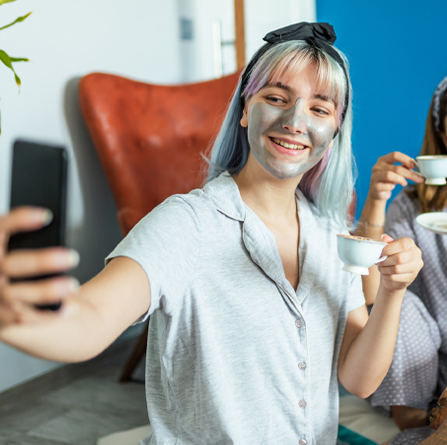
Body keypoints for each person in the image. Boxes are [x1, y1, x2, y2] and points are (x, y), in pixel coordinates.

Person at [0, 22, 423, 445]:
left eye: (319, 108)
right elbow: (90, 321)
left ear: (334, 131)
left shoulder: (332, 233)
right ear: (244, 109)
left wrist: (392, 291)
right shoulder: (187, 223)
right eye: (276, 98)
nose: (295, 121)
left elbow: (360, 379)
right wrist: (22, 317)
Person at [356, 48, 447, 445]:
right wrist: (376, 201)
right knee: (398, 299)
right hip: (425, 393)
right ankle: (424, 425)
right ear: (445, 137)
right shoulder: (415, 207)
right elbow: (367, 294)